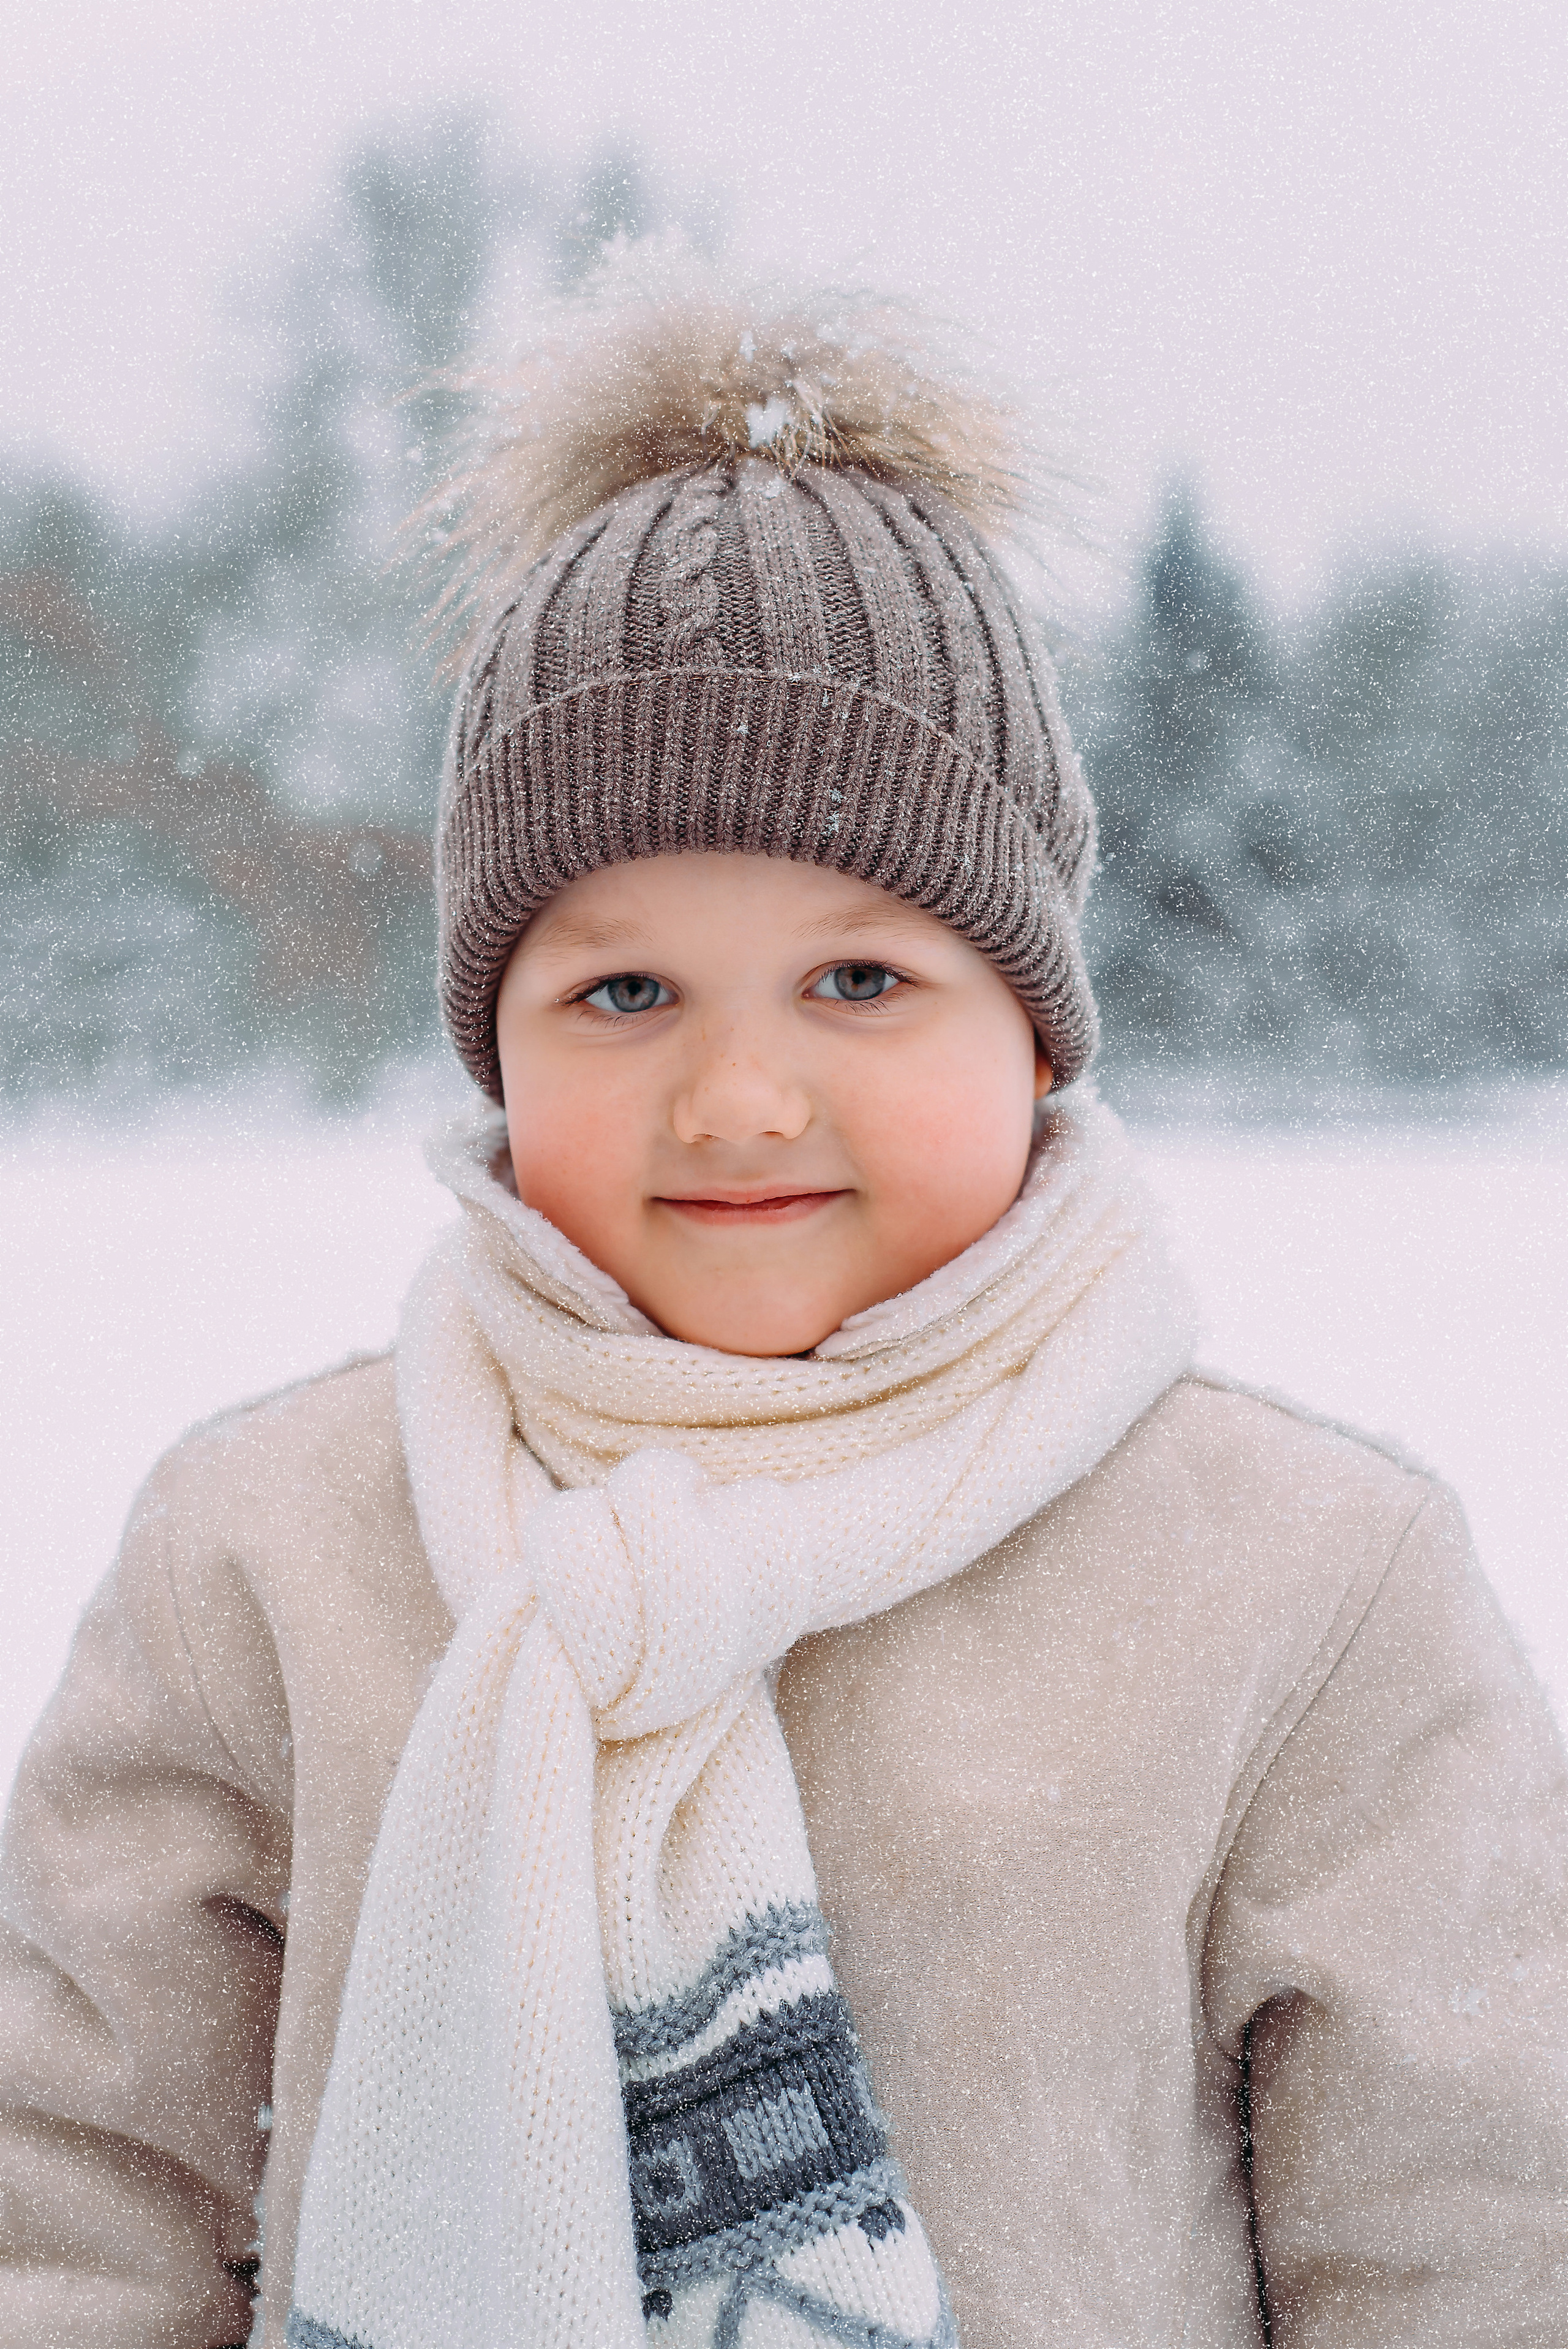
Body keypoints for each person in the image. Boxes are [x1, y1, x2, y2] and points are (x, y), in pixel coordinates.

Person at [2, 276, 1565, 2349]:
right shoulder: (270, 1554)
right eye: (623, 990)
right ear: (497, 1045)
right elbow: (73, 2193)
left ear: (1034, 1023)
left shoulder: (1302, 1584)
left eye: (860, 980)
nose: (739, 1096)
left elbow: (1472, 2237)